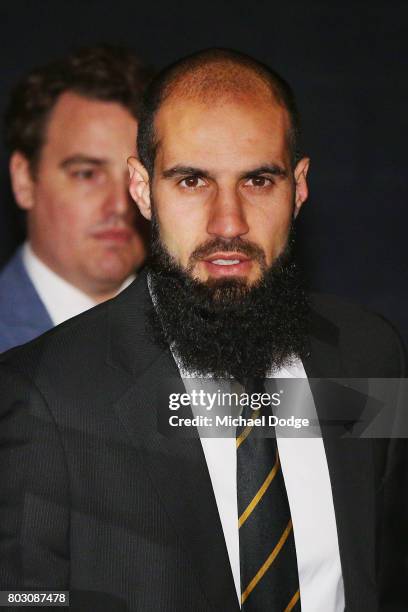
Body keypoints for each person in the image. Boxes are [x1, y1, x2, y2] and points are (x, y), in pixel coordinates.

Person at [0, 48, 406, 611]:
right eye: (192, 181)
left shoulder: (371, 355)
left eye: (259, 180)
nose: (228, 223)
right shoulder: (39, 395)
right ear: (142, 190)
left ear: (300, 186)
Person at [0, 45, 152, 352]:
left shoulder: (210, 338)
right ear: (24, 179)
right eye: (87, 174)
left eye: (139, 177)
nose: (122, 205)